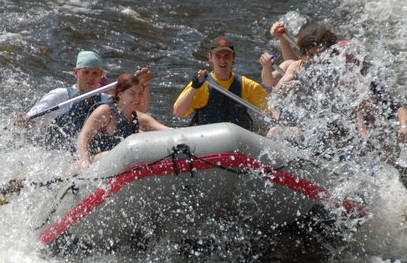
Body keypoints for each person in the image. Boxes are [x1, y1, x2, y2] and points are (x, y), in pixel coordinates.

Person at [16, 50, 152, 151]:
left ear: (101, 75)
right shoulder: (59, 95)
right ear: (76, 73)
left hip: (88, 152)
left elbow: (140, 110)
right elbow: (31, 121)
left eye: (95, 73)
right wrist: (24, 121)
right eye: (85, 72)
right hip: (58, 153)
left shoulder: (106, 100)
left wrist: (142, 85)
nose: (90, 78)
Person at [173, 37, 268, 130]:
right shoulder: (200, 84)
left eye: (227, 55)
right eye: (218, 56)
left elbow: (271, 112)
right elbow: (178, 113)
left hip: (239, 139)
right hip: (207, 137)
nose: (222, 60)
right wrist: (194, 88)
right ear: (210, 57)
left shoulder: (247, 86)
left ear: (233, 57)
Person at [77, 73, 168, 168]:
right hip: (95, 161)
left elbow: (168, 131)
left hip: (123, 164)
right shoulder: (105, 111)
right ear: (120, 94)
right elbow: (83, 138)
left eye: (140, 94)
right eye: (132, 93)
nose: (137, 98)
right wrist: (84, 159)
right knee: (114, 154)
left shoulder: (140, 118)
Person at [259, 21, 299, 88]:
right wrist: (266, 67)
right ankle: (282, 37)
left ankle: (282, 37)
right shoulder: (291, 64)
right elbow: (269, 82)